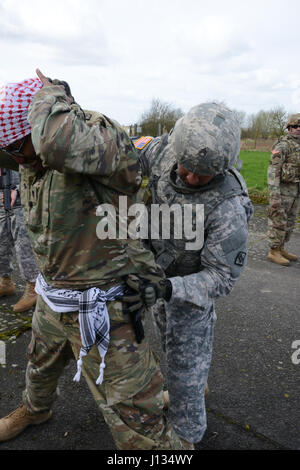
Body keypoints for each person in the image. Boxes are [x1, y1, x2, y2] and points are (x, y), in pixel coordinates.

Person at [0, 71, 186, 450]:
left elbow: (55, 144)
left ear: (42, 125)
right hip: (54, 297)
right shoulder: (33, 156)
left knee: (138, 421)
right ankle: (35, 409)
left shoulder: (100, 140)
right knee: (38, 366)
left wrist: (50, 91)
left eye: (19, 148)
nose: (17, 159)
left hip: (103, 301)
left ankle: (152, 423)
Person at [133, 102, 253, 446]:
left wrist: (168, 288)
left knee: (184, 374)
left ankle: (186, 438)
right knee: (171, 355)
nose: (191, 178)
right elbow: (119, 155)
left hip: (188, 296)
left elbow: (221, 277)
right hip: (158, 280)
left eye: (204, 175)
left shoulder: (228, 205)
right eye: (187, 168)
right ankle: (193, 385)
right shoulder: (162, 151)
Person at [0, 168, 39, 312]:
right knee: (1, 242)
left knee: (24, 246)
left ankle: (33, 288)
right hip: (1, 194)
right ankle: (5, 282)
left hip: (21, 196)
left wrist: (18, 188)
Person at [267, 114, 300, 265]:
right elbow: (273, 172)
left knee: (290, 222)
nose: (298, 129)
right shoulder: (283, 146)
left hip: (295, 192)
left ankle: (281, 248)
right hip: (282, 192)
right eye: (294, 126)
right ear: (288, 128)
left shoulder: (298, 146)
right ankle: (273, 251)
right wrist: (274, 196)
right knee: (278, 221)